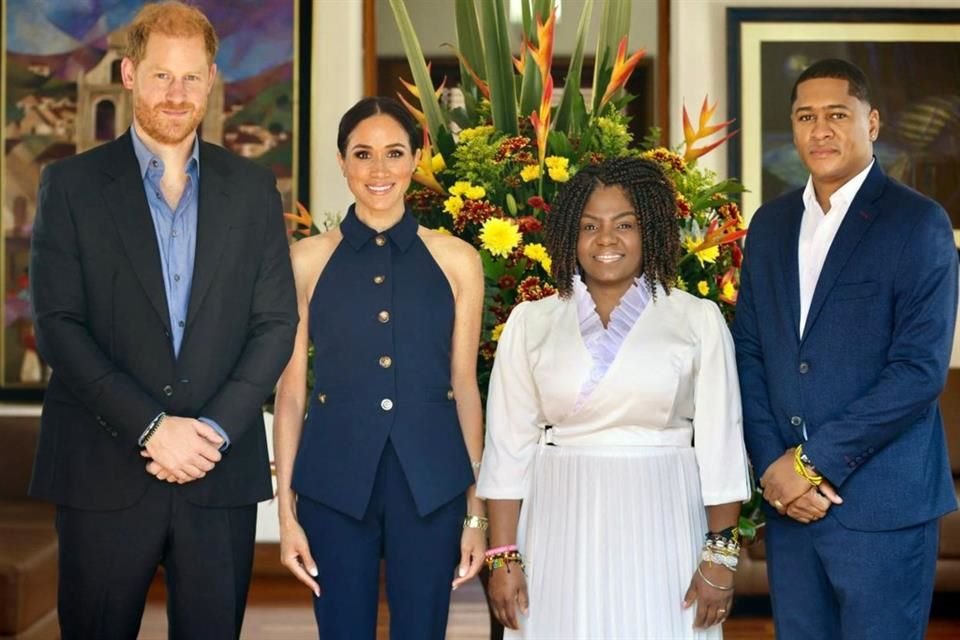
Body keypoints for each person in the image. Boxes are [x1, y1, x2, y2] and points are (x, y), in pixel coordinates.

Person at [27, 2, 298, 638]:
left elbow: (275, 324)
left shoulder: (254, 190)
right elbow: (59, 327)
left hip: (216, 469)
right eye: (160, 76)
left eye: (191, 77)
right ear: (128, 74)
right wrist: (152, 428)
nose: (176, 95)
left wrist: (209, 432)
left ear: (211, 79)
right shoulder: (68, 186)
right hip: (102, 469)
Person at [478, 157, 752, 638]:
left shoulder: (696, 319)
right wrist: (503, 555)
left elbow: (722, 448)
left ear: (651, 233)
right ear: (569, 235)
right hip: (557, 523)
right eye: (590, 226)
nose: (607, 240)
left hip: (664, 518)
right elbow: (507, 447)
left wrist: (720, 556)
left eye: (624, 225)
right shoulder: (531, 321)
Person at [733, 58, 959, 639]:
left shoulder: (918, 223)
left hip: (882, 506)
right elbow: (750, 353)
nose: (821, 129)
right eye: (806, 117)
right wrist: (775, 470)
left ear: (873, 122)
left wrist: (811, 464)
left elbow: (918, 371)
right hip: (791, 510)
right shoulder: (770, 225)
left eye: (838, 114)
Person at [272, 96, 487, 639]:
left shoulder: (458, 259)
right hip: (332, 485)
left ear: (417, 158)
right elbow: (292, 394)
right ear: (342, 162)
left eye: (394, 153)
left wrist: (476, 512)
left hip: (432, 485)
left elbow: (464, 386)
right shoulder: (306, 261)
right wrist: (286, 515)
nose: (379, 170)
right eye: (362, 154)